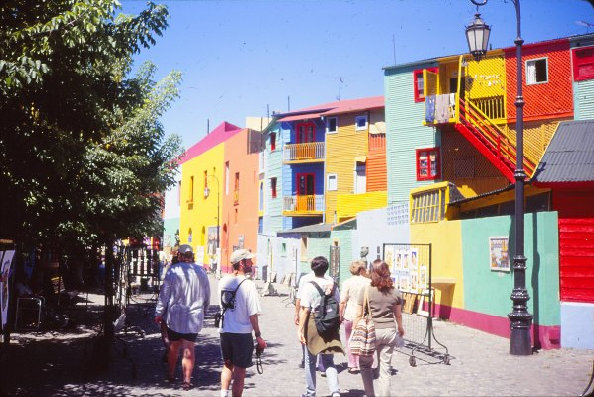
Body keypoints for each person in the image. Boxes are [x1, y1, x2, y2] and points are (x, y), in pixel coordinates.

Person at [154, 244, 211, 390]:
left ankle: (171, 374)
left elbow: (164, 294)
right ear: (191, 255)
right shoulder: (201, 271)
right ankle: (186, 380)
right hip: (194, 317)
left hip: (175, 316)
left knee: (174, 347)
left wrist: (159, 312)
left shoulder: (173, 270)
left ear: (179, 255)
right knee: (189, 348)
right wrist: (205, 309)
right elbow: (207, 294)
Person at [353, 259, 405, 397]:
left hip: (370, 332)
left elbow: (358, 314)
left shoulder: (365, 290)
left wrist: (354, 330)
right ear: (387, 272)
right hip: (389, 331)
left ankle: (370, 394)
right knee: (385, 369)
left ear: (372, 273)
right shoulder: (395, 292)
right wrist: (400, 328)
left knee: (365, 365)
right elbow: (398, 315)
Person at [219, 248, 266, 397]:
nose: (252, 263)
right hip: (242, 333)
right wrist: (258, 335)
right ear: (241, 263)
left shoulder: (223, 281)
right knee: (240, 370)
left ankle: (223, 394)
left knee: (227, 365)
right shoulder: (248, 285)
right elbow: (253, 314)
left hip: (225, 331)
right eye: (249, 260)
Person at [298, 256, 343, 397]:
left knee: (310, 360)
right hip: (330, 323)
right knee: (329, 360)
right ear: (326, 268)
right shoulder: (333, 284)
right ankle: (335, 392)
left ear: (313, 268)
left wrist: (300, 329)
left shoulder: (308, 285)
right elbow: (338, 303)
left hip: (313, 322)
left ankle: (310, 392)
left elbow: (305, 310)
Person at [339, 260, 370, 374]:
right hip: (364, 315)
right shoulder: (368, 282)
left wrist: (340, 315)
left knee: (350, 340)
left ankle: (352, 364)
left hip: (350, 315)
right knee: (364, 340)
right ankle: (363, 363)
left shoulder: (347, 282)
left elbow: (342, 301)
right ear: (361, 269)